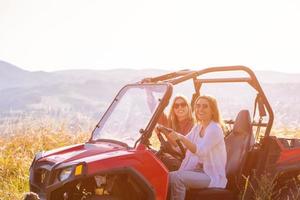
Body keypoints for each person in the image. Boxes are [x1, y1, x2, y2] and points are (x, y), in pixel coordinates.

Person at [158, 95, 227, 200]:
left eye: (205, 106)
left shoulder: (214, 129)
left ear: (213, 110)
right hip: (198, 170)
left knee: (176, 177)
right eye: (198, 106)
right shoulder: (198, 127)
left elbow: (200, 151)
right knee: (167, 175)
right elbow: (182, 145)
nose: (200, 109)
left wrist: (181, 137)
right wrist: (165, 132)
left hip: (211, 175)